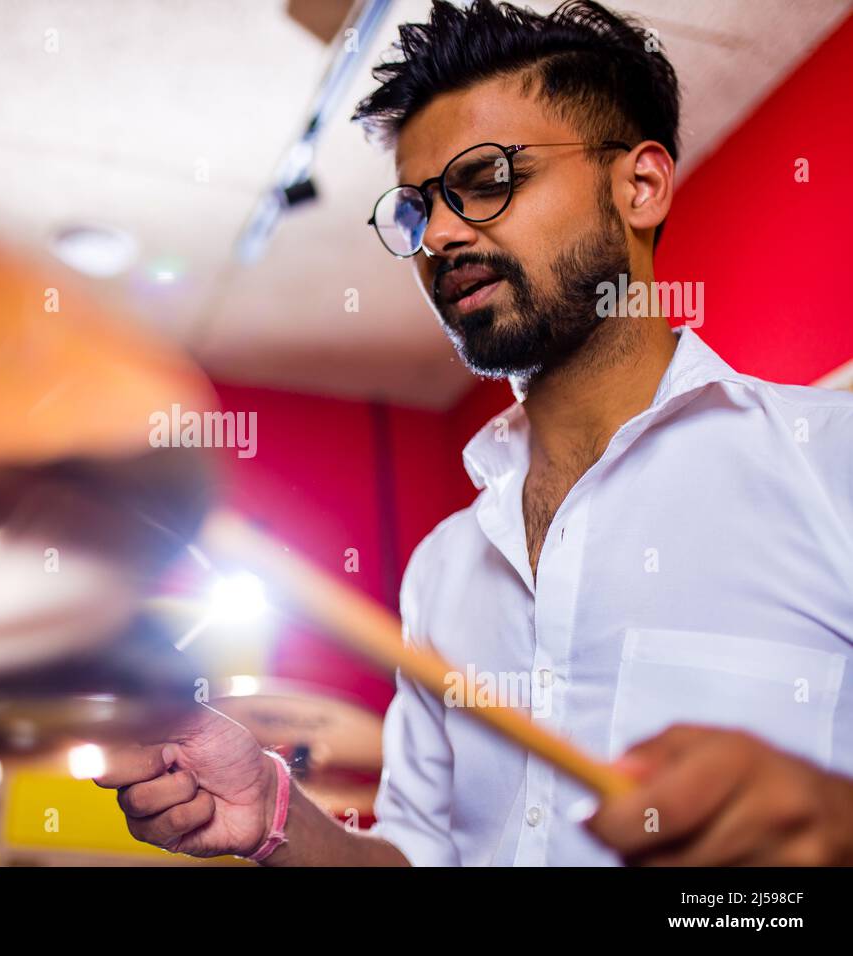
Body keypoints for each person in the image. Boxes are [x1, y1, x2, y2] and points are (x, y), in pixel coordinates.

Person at [95, 0, 853, 865]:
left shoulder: (831, 465)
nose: (442, 233)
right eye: (417, 208)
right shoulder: (444, 568)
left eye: (488, 178)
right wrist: (272, 809)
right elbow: (421, 854)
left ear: (639, 186)